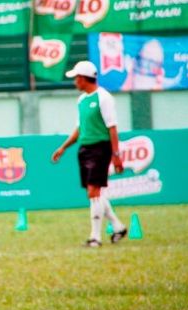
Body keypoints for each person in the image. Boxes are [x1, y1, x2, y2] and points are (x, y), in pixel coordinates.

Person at [52, 61, 127, 247]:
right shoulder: (81, 100)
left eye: (76, 78)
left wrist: (116, 155)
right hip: (84, 149)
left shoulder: (104, 98)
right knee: (93, 193)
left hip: (100, 148)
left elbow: (112, 128)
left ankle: (95, 238)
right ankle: (118, 226)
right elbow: (79, 129)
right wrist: (63, 147)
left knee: (94, 191)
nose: (74, 82)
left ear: (84, 78)